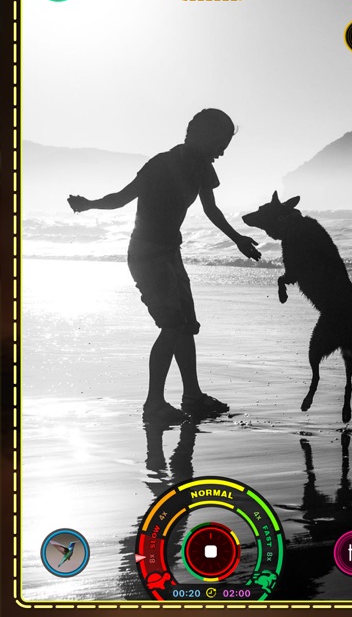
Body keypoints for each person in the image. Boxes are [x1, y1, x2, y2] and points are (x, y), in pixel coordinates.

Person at [68, 108, 261, 423]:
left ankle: (193, 397)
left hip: (171, 252)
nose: (222, 152)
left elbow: (211, 210)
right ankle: (154, 404)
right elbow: (121, 198)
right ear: (200, 135)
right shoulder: (160, 164)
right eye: (220, 144)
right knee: (172, 325)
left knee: (185, 326)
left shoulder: (203, 169)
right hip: (146, 254)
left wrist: (237, 238)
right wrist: (89, 204)